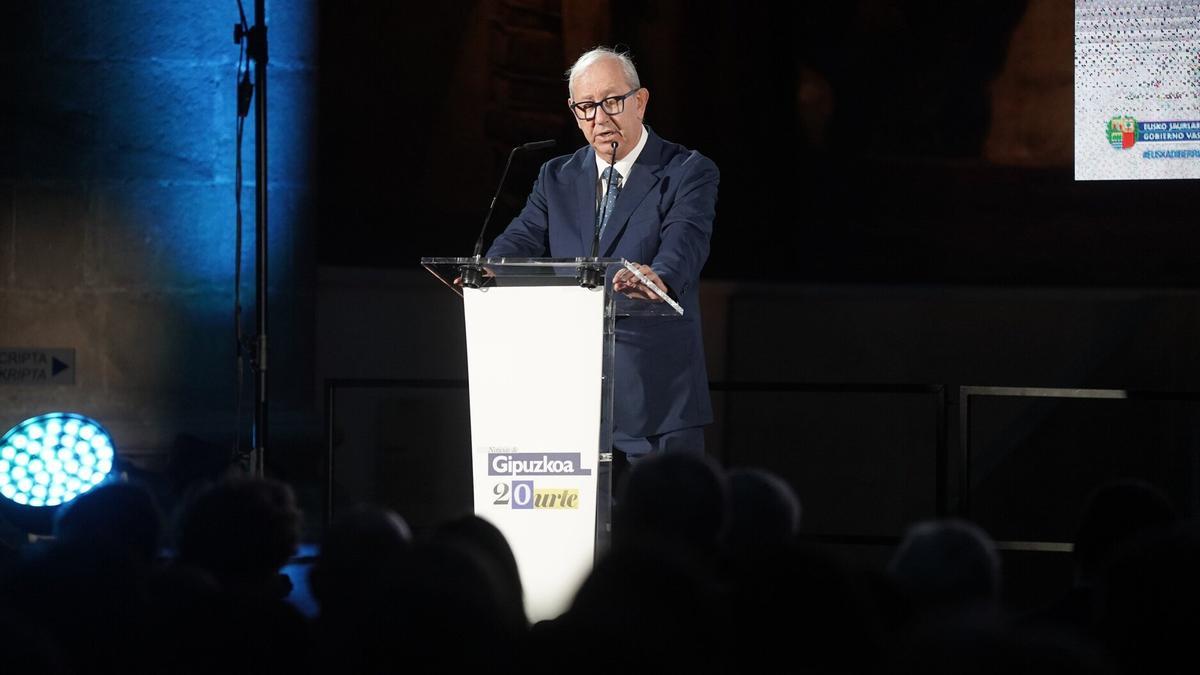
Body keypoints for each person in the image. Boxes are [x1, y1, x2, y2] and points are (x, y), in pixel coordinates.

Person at [487, 46, 718, 473]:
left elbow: (686, 240)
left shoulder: (686, 170)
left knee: (667, 516)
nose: (599, 117)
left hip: (657, 396)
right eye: (586, 107)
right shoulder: (556, 176)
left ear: (640, 101)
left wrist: (660, 277)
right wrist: (488, 270)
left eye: (611, 102)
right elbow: (521, 236)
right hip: (570, 394)